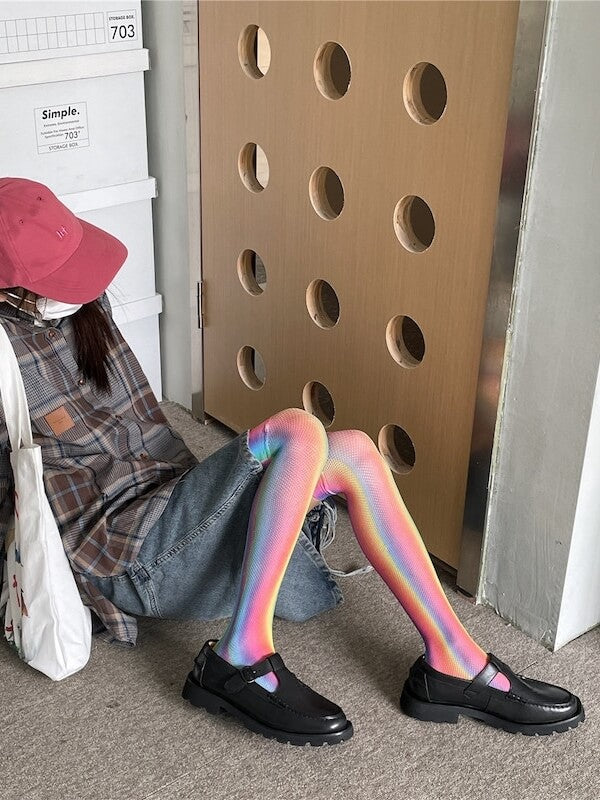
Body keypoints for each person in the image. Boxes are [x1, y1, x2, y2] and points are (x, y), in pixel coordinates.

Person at [0, 177, 584, 746]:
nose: (78, 287)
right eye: (58, 277)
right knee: (296, 431)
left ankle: (452, 660)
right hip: (126, 552)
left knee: (355, 451)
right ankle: (241, 654)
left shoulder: (79, 304)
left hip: (172, 498)